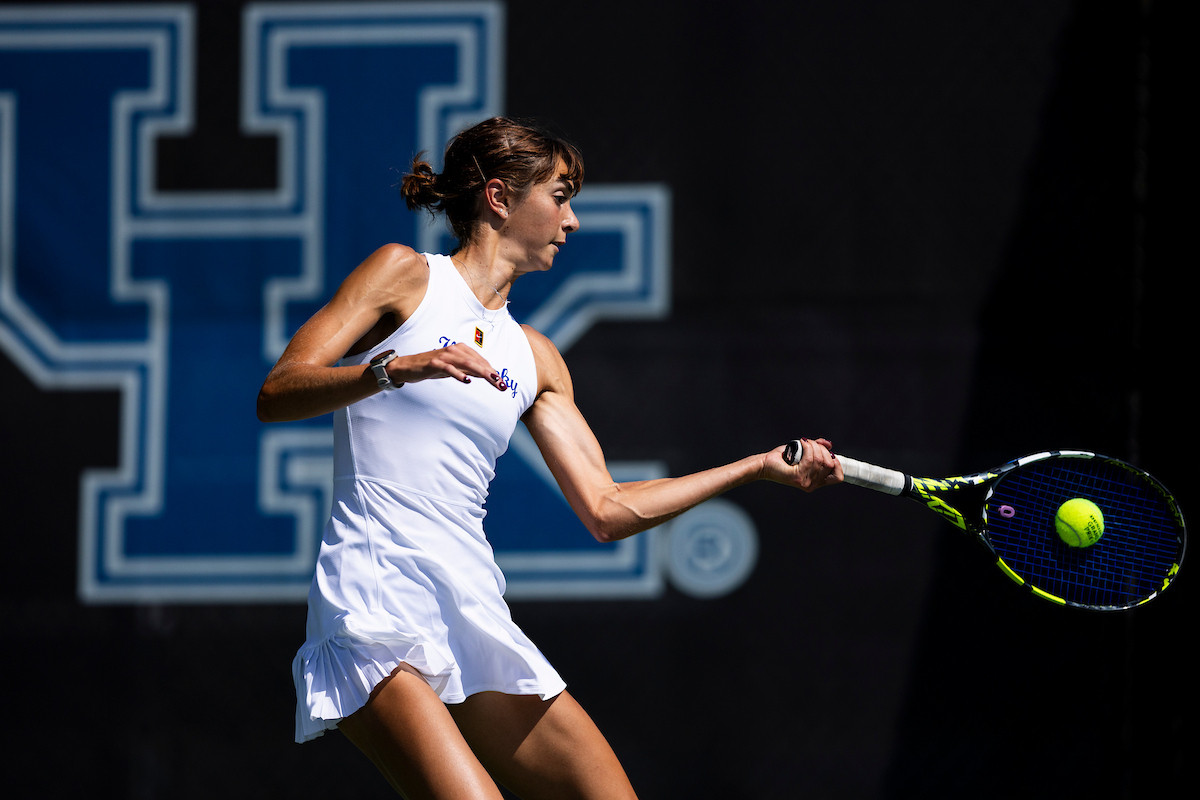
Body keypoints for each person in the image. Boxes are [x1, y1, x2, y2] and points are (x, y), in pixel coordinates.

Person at [257, 116, 842, 800]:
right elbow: (278, 391)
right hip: (372, 600)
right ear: (500, 198)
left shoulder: (535, 357)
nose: (572, 221)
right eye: (560, 196)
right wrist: (397, 368)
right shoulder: (403, 275)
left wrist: (754, 467)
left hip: (469, 608)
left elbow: (607, 508)